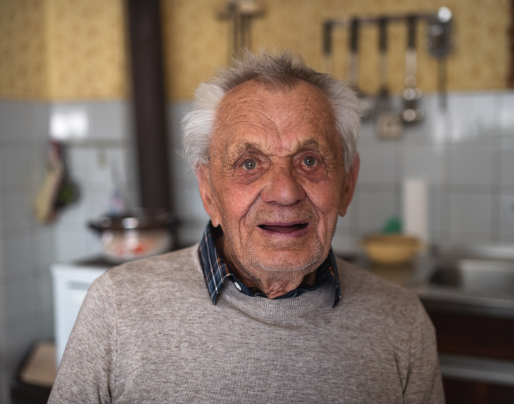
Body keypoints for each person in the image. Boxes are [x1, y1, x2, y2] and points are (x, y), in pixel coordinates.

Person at [49, 51, 444, 403]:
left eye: (309, 160)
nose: (285, 193)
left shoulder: (402, 321)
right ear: (208, 191)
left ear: (347, 184)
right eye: (249, 164)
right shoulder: (117, 306)